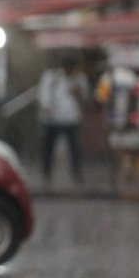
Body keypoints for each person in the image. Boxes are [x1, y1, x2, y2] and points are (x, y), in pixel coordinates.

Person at [38, 57, 89, 185]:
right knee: (49, 146)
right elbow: (43, 93)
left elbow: (85, 98)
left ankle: (76, 171)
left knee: (74, 146)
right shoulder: (52, 77)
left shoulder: (79, 79)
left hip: (71, 117)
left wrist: (78, 92)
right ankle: (46, 171)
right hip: (54, 118)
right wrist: (46, 106)